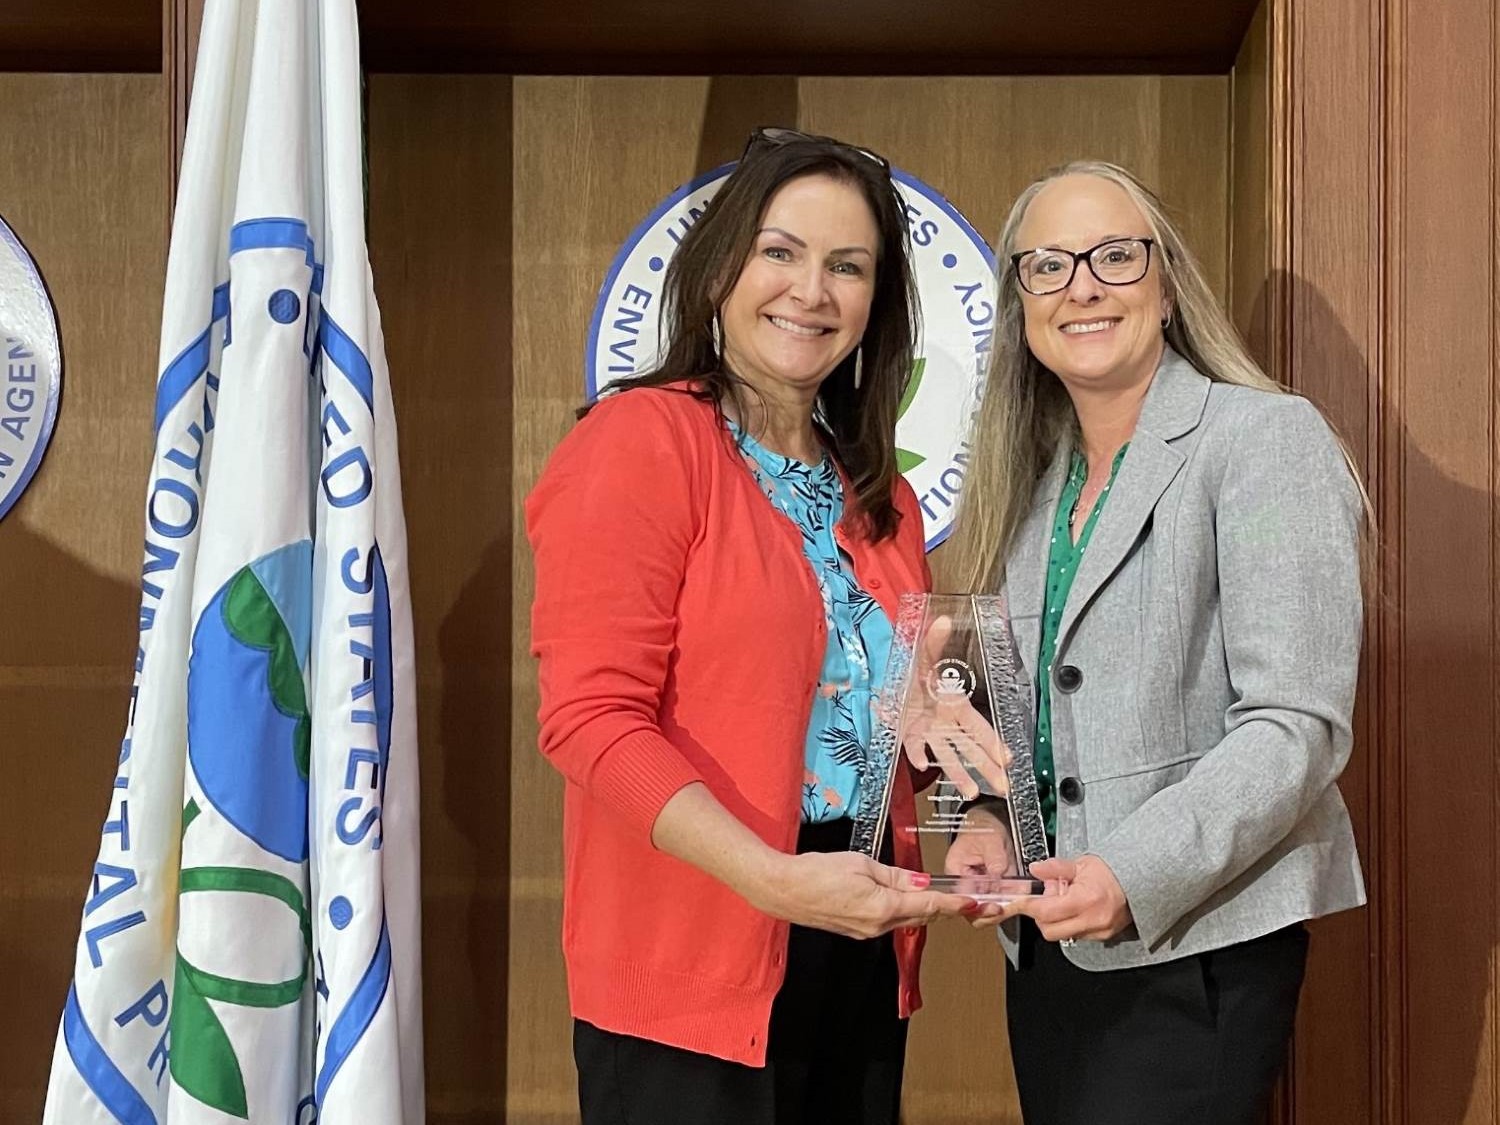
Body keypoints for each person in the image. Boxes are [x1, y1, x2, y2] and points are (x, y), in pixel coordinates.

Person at [526, 128, 974, 1125]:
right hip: (691, 957)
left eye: (847, 266)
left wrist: (938, 746)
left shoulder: (882, 496)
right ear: (721, 266)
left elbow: (878, 723)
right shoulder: (641, 442)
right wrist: (772, 880)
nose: (811, 291)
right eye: (781, 252)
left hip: (858, 937)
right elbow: (589, 721)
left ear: (877, 302)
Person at [941, 160, 1369, 1125]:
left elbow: (1295, 724)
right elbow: (1030, 716)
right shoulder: (1032, 483)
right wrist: (988, 815)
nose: (1082, 286)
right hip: (1048, 947)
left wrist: (1133, 872)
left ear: (1166, 286)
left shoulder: (1263, 437)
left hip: (1196, 939)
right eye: (1048, 265)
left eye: (1114, 257)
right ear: (1020, 305)